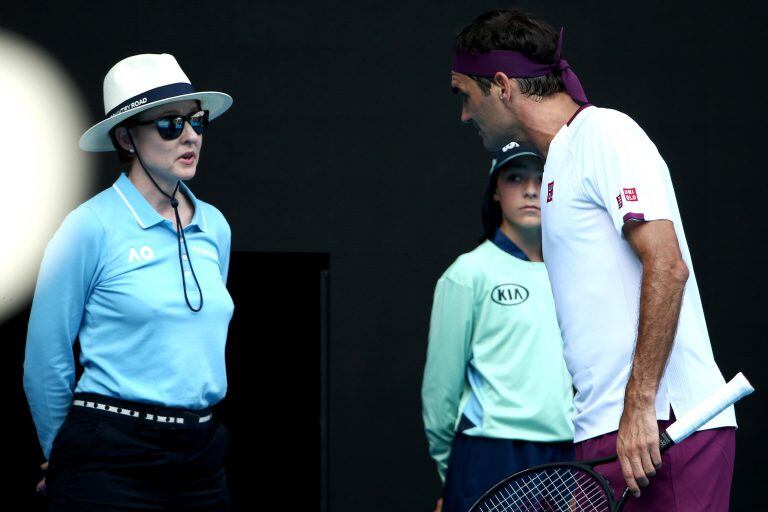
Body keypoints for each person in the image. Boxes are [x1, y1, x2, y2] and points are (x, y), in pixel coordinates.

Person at [449, 8, 737, 511]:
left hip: (664, 427)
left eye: (465, 96)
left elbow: (666, 265)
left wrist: (640, 408)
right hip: (607, 432)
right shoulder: (558, 161)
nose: (464, 116)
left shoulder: (605, 133)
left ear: (501, 86)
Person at [24, 53, 235, 510]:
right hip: (110, 453)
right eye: (168, 124)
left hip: (201, 453)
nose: (190, 136)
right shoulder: (89, 227)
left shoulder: (215, 227)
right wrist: (61, 455)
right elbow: (45, 357)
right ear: (125, 137)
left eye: (196, 121)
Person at [421, 143, 573, 512]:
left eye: (541, 178)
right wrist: (453, 470)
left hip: (568, 459)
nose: (531, 189)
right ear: (494, 190)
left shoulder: (578, 275)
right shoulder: (468, 274)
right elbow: (439, 391)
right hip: (491, 454)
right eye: (516, 177)